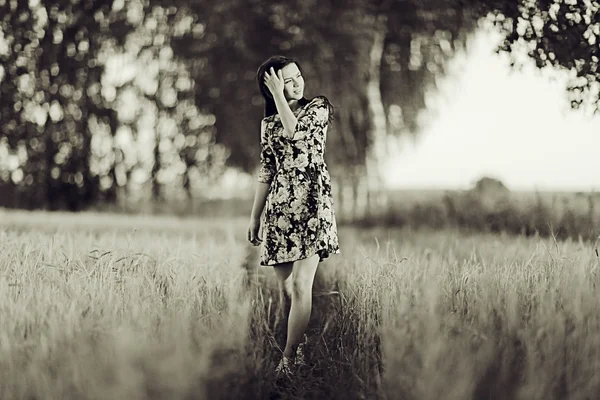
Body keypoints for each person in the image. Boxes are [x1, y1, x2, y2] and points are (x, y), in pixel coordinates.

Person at [246, 55, 341, 377]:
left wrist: (278, 96)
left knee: (302, 285)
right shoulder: (268, 124)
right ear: (270, 87)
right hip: (280, 209)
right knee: (288, 290)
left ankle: (286, 361)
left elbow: (296, 134)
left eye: (298, 75)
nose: (297, 83)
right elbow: (267, 169)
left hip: (313, 204)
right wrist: (255, 216)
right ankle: (298, 350)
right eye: (287, 80)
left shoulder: (319, 108)